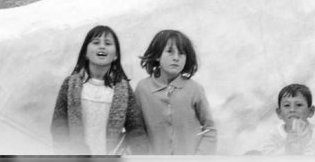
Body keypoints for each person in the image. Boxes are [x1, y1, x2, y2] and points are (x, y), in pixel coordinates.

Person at [50, 25, 148, 155]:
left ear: (116, 55)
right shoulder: (70, 84)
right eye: (96, 43)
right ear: (85, 53)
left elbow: (136, 129)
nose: (102, 47)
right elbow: (58, 123)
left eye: (108, 43)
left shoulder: (123, 89)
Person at [134, 29, 217, 155]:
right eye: (169, 52)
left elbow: (210, 129)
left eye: (182, 53)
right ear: (157, 55)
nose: (176, 58)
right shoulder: (143, 89)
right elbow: (136, 131)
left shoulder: (194, 89)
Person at [256, 84, 315, 155]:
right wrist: (286, 148)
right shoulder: (274, 135)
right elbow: (266, 157)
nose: (292, 110)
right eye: (287, 105)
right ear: (279, 113)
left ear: (310, 111)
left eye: (299, 105)